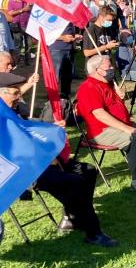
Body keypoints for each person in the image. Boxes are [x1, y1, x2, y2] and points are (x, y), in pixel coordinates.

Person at [1, 72, 118, 247]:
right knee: (76, 184)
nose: (19, 97)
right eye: (15, 93)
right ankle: (93, 232)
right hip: (22, 174)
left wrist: (49, 128)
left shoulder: (10, 111)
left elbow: (26, 129)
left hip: (41, 163)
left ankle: (72, 216)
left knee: (88, 171)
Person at [75, 55, 136, 193]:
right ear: (98, 70)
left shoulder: (106, 84)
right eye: (108, 67)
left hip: (120, 125)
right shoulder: (88, 87)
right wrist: (128, 129)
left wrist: (120, 97)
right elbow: (100, 114)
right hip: (102, 131)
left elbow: (116, 108)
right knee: (135, 137)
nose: (112, 68)